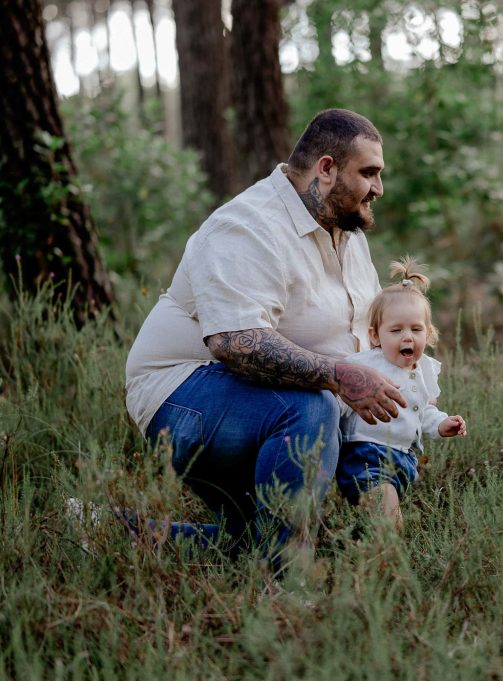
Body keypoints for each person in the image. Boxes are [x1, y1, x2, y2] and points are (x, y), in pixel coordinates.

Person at [124, 109, 409, 556]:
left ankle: (111, 531)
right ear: (327, 169)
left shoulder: (348, 235)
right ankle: (291, 575)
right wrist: (340, 377)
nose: (379, 188)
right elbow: (235, 343)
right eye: (369, 173)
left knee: (247, 542)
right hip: (181, 396)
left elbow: (362, 341)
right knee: (312, 405)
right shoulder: (246, 226)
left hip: (263, 400)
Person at [335, 258, 467, 530]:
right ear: (375, 336)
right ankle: (387, 562)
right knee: (388, 519)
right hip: (367, 453)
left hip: (404, 459)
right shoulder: (364, 365)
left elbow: (423, 411)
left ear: (428, 334)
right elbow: (340, 400)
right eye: (396, 330)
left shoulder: (426, 370)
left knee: (376, 521)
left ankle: (367, 557)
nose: (407, 337)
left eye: (416, 329)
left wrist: (441, 424)